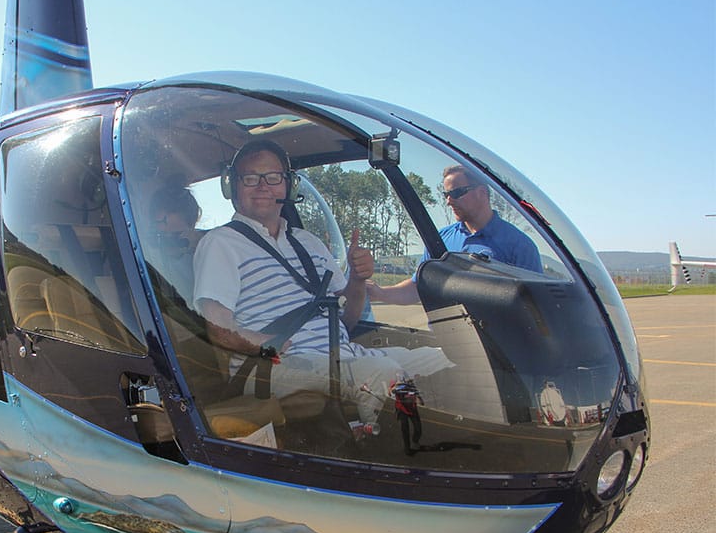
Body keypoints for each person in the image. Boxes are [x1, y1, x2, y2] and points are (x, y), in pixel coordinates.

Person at [193, 140, 450, 427]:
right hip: (270, 366)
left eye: (273, 177)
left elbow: (346, 321)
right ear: (232, 187)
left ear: (289, 185)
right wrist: (265, 343)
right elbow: (218, 329)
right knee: (381, 372)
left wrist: (357, 280)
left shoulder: (309, 242)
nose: (263, 186)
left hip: (338, 356)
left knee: (442, 361)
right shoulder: (220, 243)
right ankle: (389, 448)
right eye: (250, 178)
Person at [367, 164, 543, 305]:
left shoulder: (519, 245)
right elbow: (418, 288)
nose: (449, 201)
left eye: (456, 193)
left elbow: (535, 305)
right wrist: (379, 293)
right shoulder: (440, 240)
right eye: (446, 195)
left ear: (482, 193)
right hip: (448, 338)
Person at [147, 182, 201, 303]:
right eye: (161, 236)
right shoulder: (147, 258)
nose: (169, 242)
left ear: (192, 227)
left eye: (175, 236)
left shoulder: (206, 254)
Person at [390, 372, 424, 455]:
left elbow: (415, 391)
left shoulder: (410, 383)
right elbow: (391, 391)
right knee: (405, 429)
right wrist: (396, 386)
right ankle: (407, 447)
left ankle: (415, 440)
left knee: (418, 428)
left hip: (412, 408)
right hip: (402, 408)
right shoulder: (396, 381)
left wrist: (420, 399)